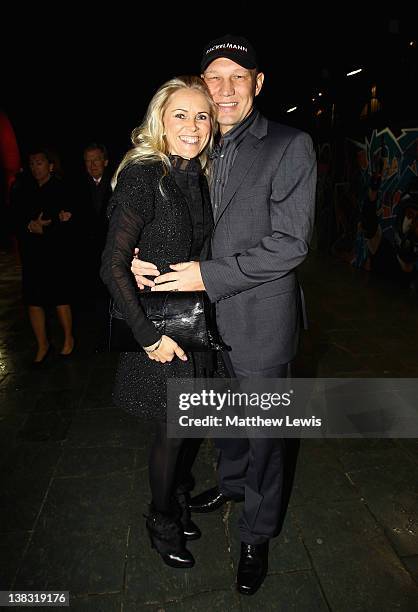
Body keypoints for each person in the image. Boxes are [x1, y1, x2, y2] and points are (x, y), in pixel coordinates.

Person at [131, 35, 317, 595]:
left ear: (258, 84)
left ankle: (257, 534)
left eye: (240, 76)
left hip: (261, 322)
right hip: (205, 325)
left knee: (265, 437)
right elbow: (170, 215)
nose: (226, 88)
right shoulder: (197, 142)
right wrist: (142, 255)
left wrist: (205, 276)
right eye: (215, 77)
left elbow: (290, 244)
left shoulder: (290, 144)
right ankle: (231, 486)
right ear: (202, 86)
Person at [100, 75, 218, 569]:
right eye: (180, 115)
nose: (193, 126)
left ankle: (180, 496)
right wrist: (150, 340)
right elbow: (111, 263)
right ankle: (160, 517)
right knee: (171, 433)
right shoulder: (145, 172)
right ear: (159, 123)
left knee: (188, 425)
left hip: (192, 323)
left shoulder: (196, 173)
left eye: (202, 116)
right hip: (161, 329)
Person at [11, 147, 75, 363]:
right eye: (31, 163)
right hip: (32, 253)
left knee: (60, 297)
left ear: (49, 165)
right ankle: (42, 344)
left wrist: (47, 227)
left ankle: (68, 339)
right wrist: (30, 226)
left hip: (55, 253)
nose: (35, 167)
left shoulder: (61, 188)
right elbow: (14, 218)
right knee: (33, 300)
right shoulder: (23, 189)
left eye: (39, 163)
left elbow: (69, 220)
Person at [79, 142, 112, 296]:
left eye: (96, 160)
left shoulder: (116, 183)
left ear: (105, 161)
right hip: (87, 254)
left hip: (112, 250)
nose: (92, 165)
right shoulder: (77, 187)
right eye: (87, 161)